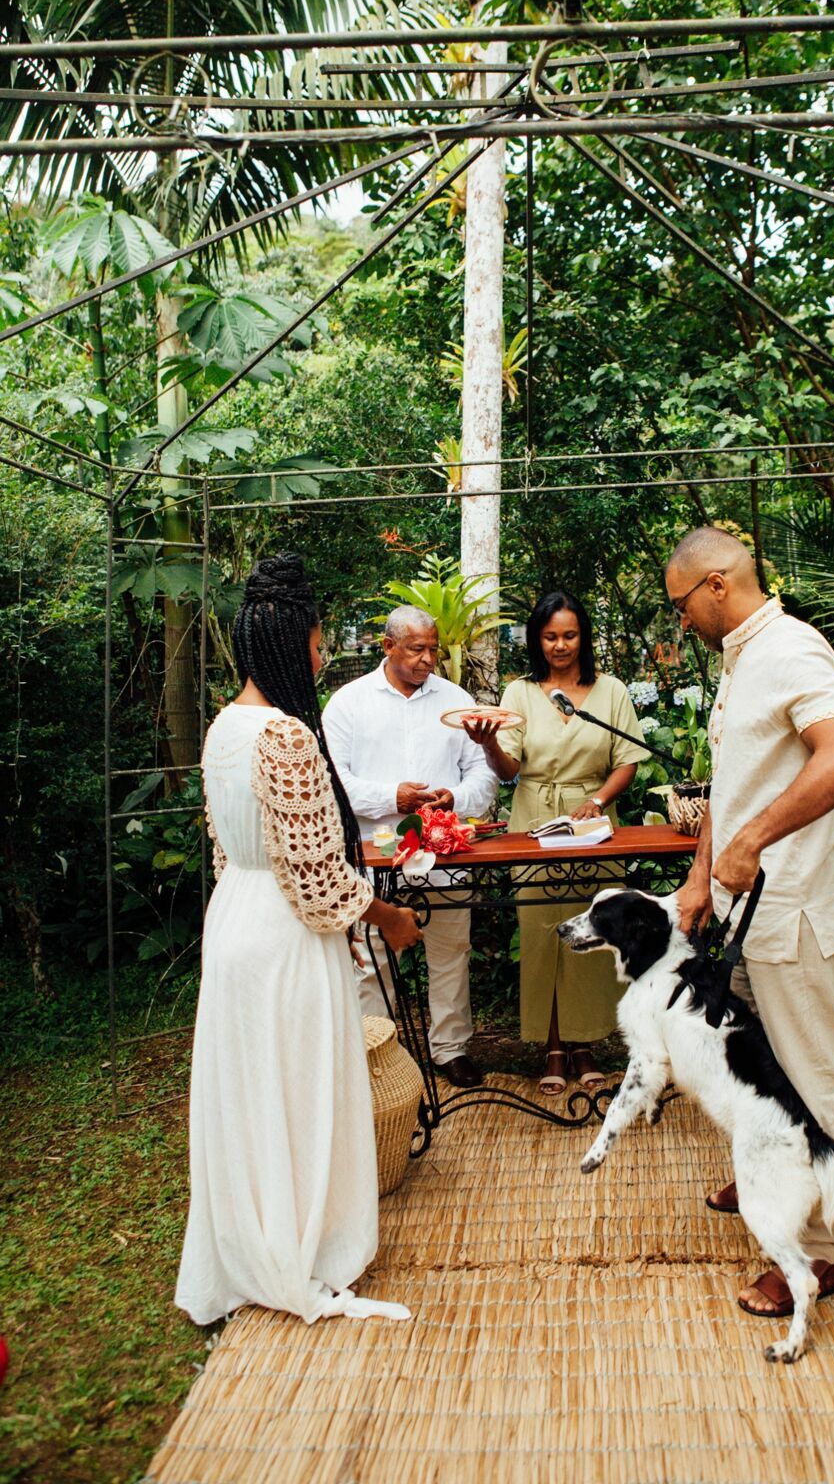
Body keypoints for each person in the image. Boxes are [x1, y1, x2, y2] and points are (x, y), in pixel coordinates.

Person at [176, 552, 420, 1327]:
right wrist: (387, 919)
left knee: (253, 1092)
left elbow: (229, 849)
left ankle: (256, 1235)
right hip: (284, 933)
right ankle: (300, 1245)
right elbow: (318, 880)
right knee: (299, 1089)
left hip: (236, 919)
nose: (320, 657)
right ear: (289, 643)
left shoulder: (224, 727)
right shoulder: (284, 736)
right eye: (317, 643)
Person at [665, 525, 834, 1321]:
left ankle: (821, 1253)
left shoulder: (791, 650)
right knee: (755, 1068)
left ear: (717, 584)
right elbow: (734, 783)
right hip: (745, 912)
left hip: (796, 912)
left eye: (682, 603)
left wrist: (753, 841)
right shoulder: (741, 659)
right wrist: (697, 876)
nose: (679, 621)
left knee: (809, 1076)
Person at [467, 591, 650, 1093]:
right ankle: (551, 1045)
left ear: (583, 636)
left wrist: (599, 799)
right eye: (550, 637)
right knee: (543, 932)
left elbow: (628, 758)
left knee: (593, 930)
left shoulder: (610, 690)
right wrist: (487, 746)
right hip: (532, 823)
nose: (560, 645)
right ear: (536, 639)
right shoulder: (518, 694)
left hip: (593, 824)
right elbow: (509, 769)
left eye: (569, 635)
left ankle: (585, 1042)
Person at [322, 606, 498, 1088]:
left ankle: (450, 1049)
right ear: (387, 646)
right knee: (373, 955)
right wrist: (391, 797)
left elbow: (483, 776)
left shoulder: (456, 701)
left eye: (433, 649)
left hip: (445, 853)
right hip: (375, 857)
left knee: (450, 950)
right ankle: (378, 1053)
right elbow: (333, 782)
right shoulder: (348, 703)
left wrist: (454, 797)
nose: (426, 660)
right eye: (416, 649)